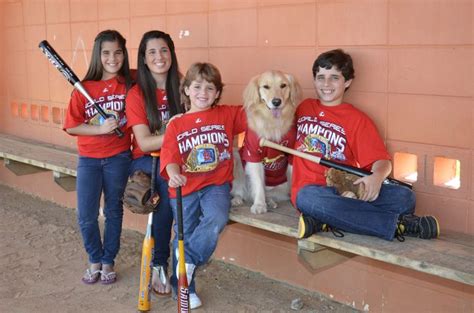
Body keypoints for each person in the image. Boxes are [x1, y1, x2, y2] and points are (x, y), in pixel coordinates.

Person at [292, 49, 440, 242]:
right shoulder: (303, 108)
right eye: (321, 77)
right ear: (314, 80)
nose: (326, 84)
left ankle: (326, 221)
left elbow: (382, 161)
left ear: (347, 82)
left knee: (404, 198)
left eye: (334, 77)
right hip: (312, 192)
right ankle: (400, 225)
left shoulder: (357, 119)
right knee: (307, 200)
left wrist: (377, 177)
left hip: (348, 189)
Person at [160, 62, 246, 309]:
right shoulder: (176, 124)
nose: (203, 93)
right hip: (184, 187)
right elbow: (170, 157)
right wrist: (174, 174)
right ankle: (185, 288)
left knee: (217, 218)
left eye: (210, 88)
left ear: (218, 93)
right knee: (184, 235)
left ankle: (188, 259)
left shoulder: (227, 114)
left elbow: (256, 112)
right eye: (197, 87)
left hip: (215, 185)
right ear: (186, 90)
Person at [63, 30, 133, 284]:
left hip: (118, 158)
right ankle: (94, 258)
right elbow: (71, 125)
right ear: (98, 55)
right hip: (89, 160)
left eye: (117, 52)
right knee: (86, 214)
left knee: (114, 211)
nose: (112, 58)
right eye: (106, 53)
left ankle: (108, 260)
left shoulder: (129, 84)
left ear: (124, 54)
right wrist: (99, 129)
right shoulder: (84, 88)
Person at [125, 30, 184, 296]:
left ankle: (186, 261)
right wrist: (173, 132)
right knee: (166, 187)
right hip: (145, 160)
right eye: (152, 52)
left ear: (171, 54)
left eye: (164, 50)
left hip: (176, 157)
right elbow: (145, 142)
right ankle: (160, 262)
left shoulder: (184, 87)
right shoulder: (137, 94)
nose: (159, 57)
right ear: (144, 59)